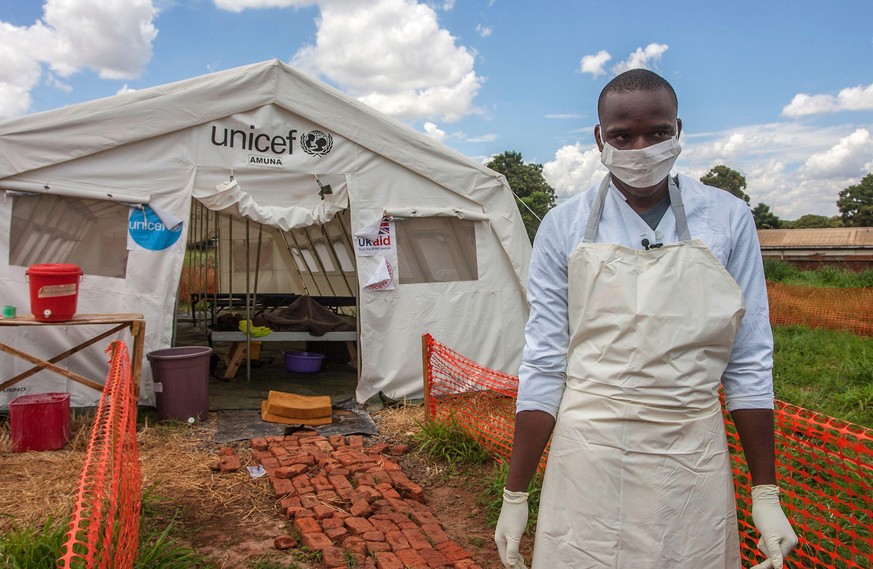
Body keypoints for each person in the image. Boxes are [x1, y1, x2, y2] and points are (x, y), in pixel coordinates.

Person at [494, 69, 798, 569]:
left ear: (678, 130)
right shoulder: (564, 226)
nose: (640, 148)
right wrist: (514, 494)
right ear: (599, 138)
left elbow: (748, 362)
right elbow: (546, 365)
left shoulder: (725, 218)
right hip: (589, 452)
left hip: (689, 453)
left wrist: (765, 492)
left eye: (657, 133)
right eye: (622, 136)